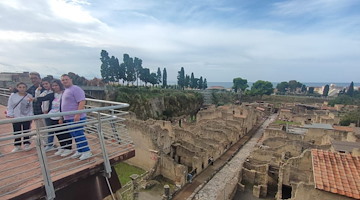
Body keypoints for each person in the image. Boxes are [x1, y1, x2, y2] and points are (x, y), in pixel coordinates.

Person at [34, 79, 73, 156]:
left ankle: (68, 148)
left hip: (62, 116)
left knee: (65, 132)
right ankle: (62, 147)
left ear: (60, 85)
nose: (55, 87)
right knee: (57, 133)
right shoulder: (53, 94)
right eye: (53, 86)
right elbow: (43, 98)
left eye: (56, 85)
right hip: (52, 115)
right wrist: (33, 99)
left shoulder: (65, 93)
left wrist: (62, 117)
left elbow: (67, 105)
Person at [60, 74, 92, 160]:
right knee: (74, 134)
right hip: (68, 117)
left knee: (78, 134)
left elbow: (81, 101)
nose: (65, 81)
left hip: (76, 117)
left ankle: (86, 151)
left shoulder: (76, 89)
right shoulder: (66, 90)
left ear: (71, 79)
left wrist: (78, 114)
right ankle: (80, 150)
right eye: (63, 80)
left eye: (66, 79)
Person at [6, 82, 33, 152]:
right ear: (17, 88)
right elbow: (10, 105)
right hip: (16, 116)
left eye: (24, 87)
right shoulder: (13, 96)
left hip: (26, 116)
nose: (22, 89)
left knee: (26, 130)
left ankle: (26, 144)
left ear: (26, 88)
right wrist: (10, 114)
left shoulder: (29, 96)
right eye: (20, 87)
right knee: (17, 131)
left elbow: (31, 107)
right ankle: (17, 145)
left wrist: (31, 115)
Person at [27, 72, 46, 145]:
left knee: (47, 128)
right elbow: (23, 94)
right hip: (36, 112)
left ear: (39, 79)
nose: (33, 80)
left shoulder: (45, 87)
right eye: (32, 78)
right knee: (39, 128)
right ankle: (43, 143)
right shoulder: (31, 89)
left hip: (45, 112)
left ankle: (49, 143)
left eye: (35, 78)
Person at [35, 77, 54, 150]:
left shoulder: (52, 92)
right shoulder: (45, 92)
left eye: (46, 83)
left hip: (50, 112)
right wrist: (38, 90)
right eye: (44, 84)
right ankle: (49, 144)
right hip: (45, 113)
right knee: (48, 129)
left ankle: (50, 144)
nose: (45, 85)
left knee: (50, 129)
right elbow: (38, 98)